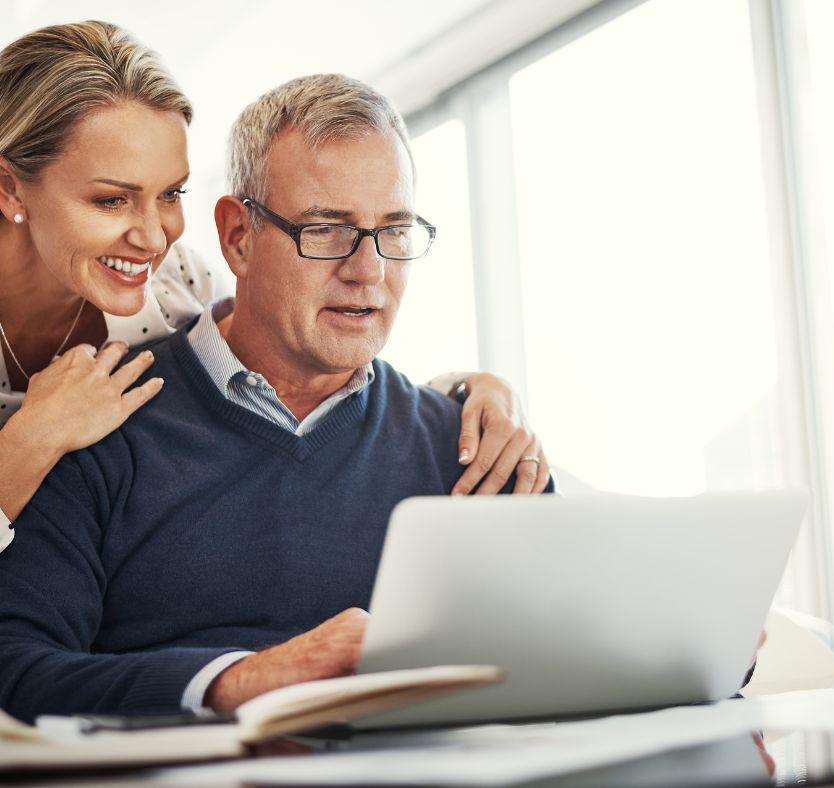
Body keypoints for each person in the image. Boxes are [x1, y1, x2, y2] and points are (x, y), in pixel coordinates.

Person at [0, 70, 555, 723]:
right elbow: (14, 670)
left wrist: (465, 393)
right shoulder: (88, 425)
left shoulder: (474, 449)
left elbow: (579, 651)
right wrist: (237, 682)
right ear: (238, 237)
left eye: (395, 232)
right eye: (327, 230)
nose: (368, 272)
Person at [0, 20, 550, 554]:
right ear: (10, 190)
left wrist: (464, 392)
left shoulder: (175, 284)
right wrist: (32, 439)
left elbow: (301, 338)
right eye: (111, 199)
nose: (153, 237)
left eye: (170, 195)